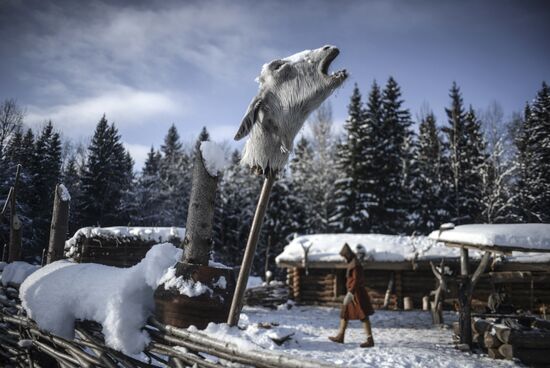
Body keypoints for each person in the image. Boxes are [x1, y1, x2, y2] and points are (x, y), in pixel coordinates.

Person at [329, 243, 375, 348]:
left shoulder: (355, 264)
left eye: (345, 256)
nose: (344, 258)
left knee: (363, 316)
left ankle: (370, 340)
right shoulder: (352, 262)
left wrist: (351, 293)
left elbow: (356, 280)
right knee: (344, 313)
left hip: (356, 293)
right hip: (352, 292)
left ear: (348, 254)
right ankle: (340, 336)